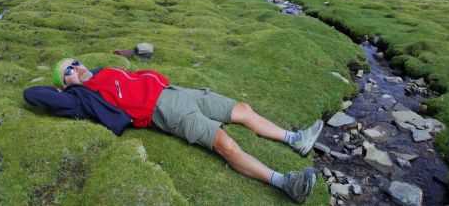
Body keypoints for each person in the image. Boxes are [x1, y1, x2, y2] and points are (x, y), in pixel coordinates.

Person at [24, 58, 324, 203]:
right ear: (66, 84)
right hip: (164, 111)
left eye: (75, 63)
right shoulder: (82, 97)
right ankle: (286, 183)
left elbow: (135, 73)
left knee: (242, 110)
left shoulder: (104, 72)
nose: (76, 68)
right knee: (225, 143)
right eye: (68, 71)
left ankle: (295, 139)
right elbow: (32, 95)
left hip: (177, 91)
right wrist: (61, 90)